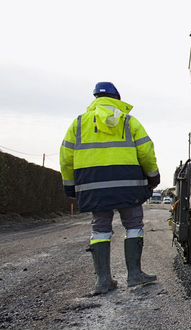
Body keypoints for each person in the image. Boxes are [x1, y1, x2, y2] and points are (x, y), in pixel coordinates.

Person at [59, 82, 160, 295]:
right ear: (117, 98)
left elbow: (66, 158)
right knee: (133, 225)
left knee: (100, 229)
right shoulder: (129, 122)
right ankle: (134, 275)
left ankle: (103, 281)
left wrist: (70, 187)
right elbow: (146, 152)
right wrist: (153, 177)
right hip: (128, 186)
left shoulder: (79, 124)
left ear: (95, 99)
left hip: (94, 187)